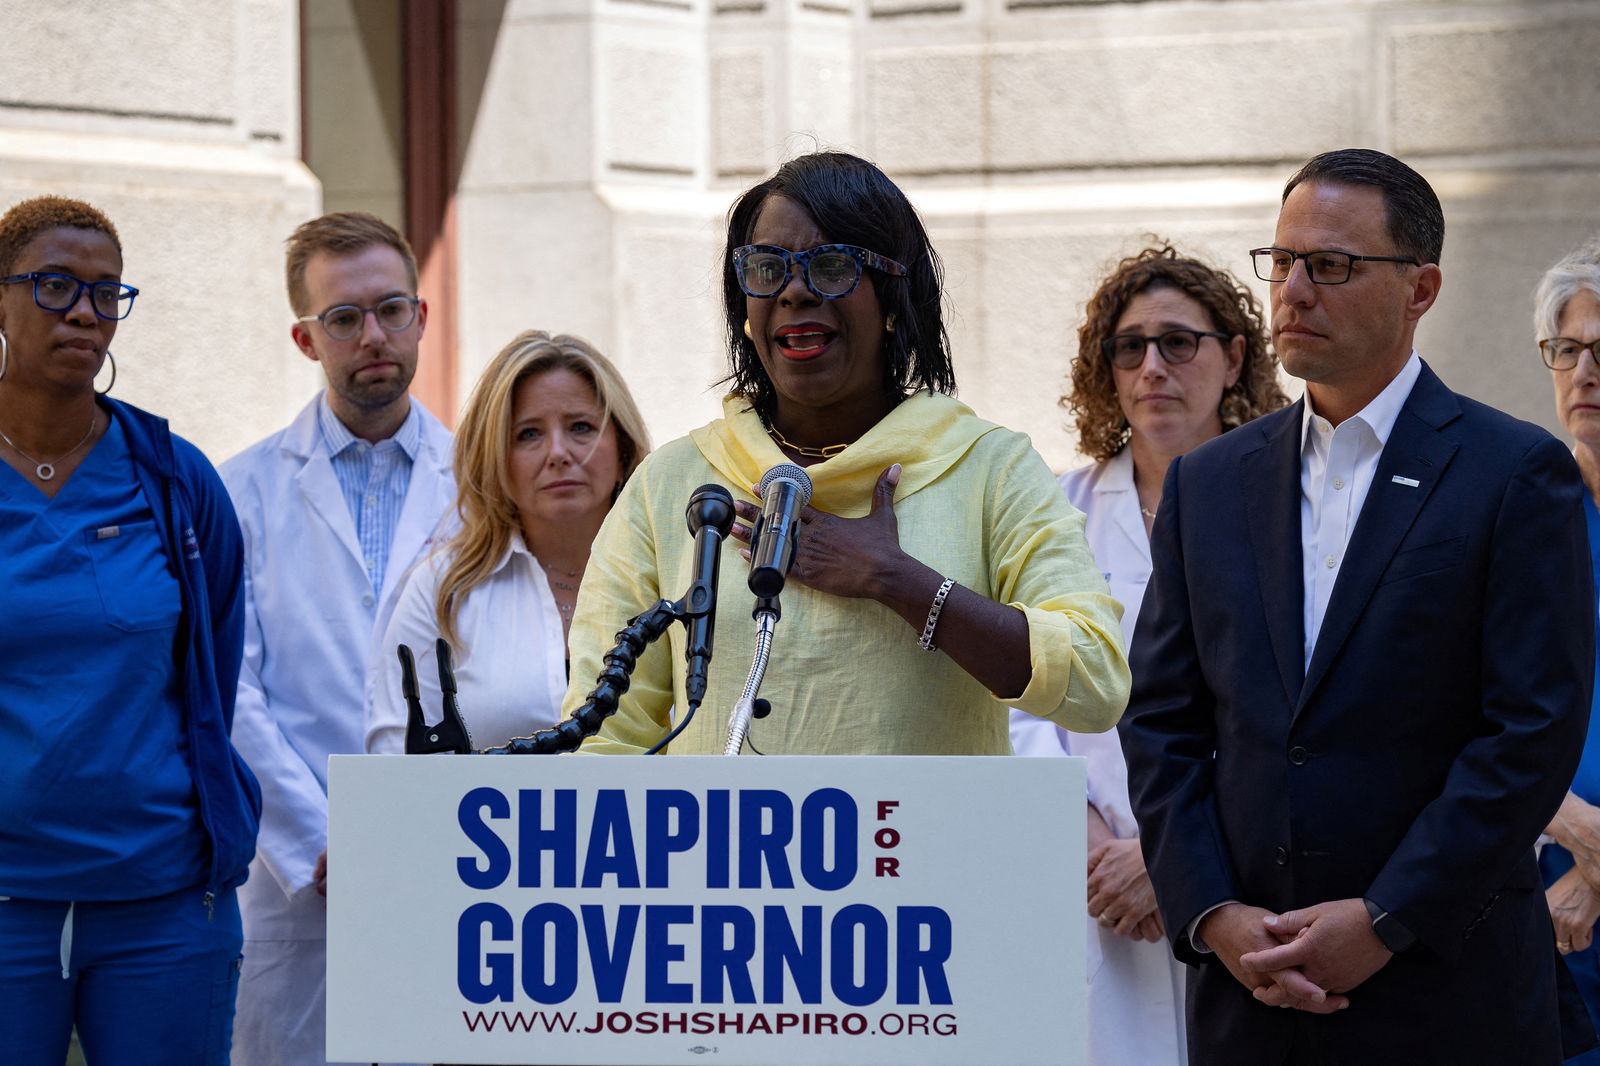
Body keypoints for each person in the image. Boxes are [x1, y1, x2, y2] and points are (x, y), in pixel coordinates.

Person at [1117, 148, 1596, 1064]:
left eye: (1330, 265)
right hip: (1252, 995)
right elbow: (1164, 723)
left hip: (1447, 995)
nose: (1293, 289)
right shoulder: (1209, 485)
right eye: (1282, 260)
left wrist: (1385, 920)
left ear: (1421, 288)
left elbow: (1530, 732)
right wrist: (1215, 915)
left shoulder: (1512, 472)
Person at [565, 151, 1129, 756]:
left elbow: (1094, 684)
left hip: (920, 850)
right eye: (767, 267)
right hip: (724, 852)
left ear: (891, 301)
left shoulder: (989, 468)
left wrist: (897, 580)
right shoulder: (674, 484)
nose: (795, 291)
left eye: (832, 266)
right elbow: (606, 743)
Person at [1010, 244, 1288, 1065]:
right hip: (1088, 883)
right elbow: (1012, 698)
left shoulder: (1283, 512)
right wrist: (1092, 842)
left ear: (1234, 356)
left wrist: (1177, 859)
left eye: (1178, 342)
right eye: (1129, 347)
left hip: (1236, 881)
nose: (1152, 367)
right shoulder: (1054, 513)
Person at [0, 196, 260, 1065]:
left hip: (164, 903)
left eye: (106, 292)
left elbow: (211, 677)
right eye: (53, 285)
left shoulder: (174, 480)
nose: (83, 310)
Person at [221, 211, 454, 1066]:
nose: (373, 336)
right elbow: (228, 689)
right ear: (304, 339)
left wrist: (406, 834)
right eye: (344, 319)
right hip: (297, 885)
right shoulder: (238, 492)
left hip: (446, 857)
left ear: (421, 319)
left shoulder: (483, 487)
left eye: (392, 309)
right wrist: (328, 840)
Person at [366, 330, 651, 753]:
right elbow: (394, 760)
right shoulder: (442, 590)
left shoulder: (675, 578)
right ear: (496, 459)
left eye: (580, 427)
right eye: (528, 434)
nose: (558, 452)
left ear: (623, 449)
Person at [1535, 236, 1600, 1064]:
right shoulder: (1524, 511)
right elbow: (1461, 702)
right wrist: (1571, 825)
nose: (1586, 370)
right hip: (1540, 904)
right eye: (1568, 349)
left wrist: (1596, 871)